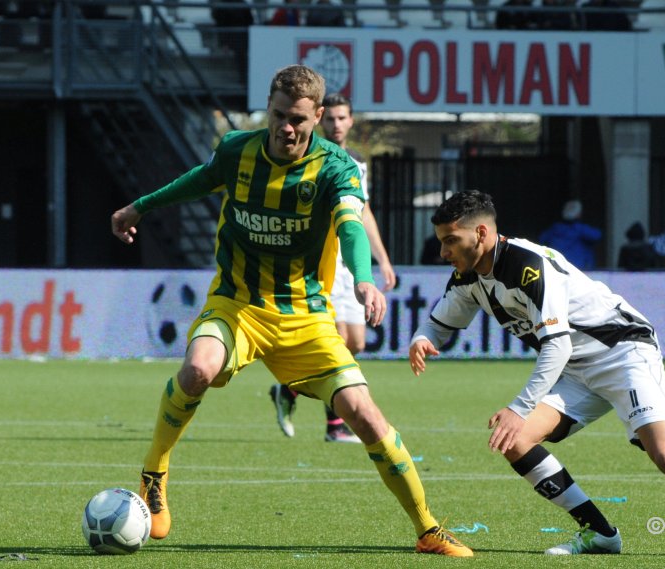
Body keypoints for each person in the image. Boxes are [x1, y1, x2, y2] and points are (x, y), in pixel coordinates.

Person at [110, 65, 472, 557]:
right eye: (278, 115)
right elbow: (200, 180)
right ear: (268, 108)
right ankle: (155, 471)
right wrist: (140, 206)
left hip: (305, 319)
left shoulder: (336, 167)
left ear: (318, 116)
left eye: (298, 119)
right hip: (237, 305)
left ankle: (428, 528)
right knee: (197, 369)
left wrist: (363, 279)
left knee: (365, 416)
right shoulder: (238, 150)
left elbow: (349, 225)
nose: (286, 127)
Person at [408, 190, 665, 558]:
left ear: (481, 233)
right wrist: (422, 338)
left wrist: (519, 406)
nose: (443, 252)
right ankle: (600, 533)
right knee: (515, 440)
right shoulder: (468, 276)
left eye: (450, 241)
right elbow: (440, 323)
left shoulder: (528, 264)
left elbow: (557, 344)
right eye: (441, 241)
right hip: (576, 368)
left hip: (622, 351)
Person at [268, 92, 396, 444]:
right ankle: (335, 426)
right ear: (320, 120)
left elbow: (361, 210)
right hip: (321, 261)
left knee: (356, 342)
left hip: (349, 262)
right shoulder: (310, 156)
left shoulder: (354, 162)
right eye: (331, 119)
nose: (336, 125)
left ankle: (289, 391)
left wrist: (381, 258)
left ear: (351, 121)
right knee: (335, 341)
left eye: (343, 118)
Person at [538, 199, 601, 270]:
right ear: (579, 214)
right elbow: (597, 236)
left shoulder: (554, 229)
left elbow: (541, 239)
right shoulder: (581, 229)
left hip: (557, 268)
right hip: (579, 270)